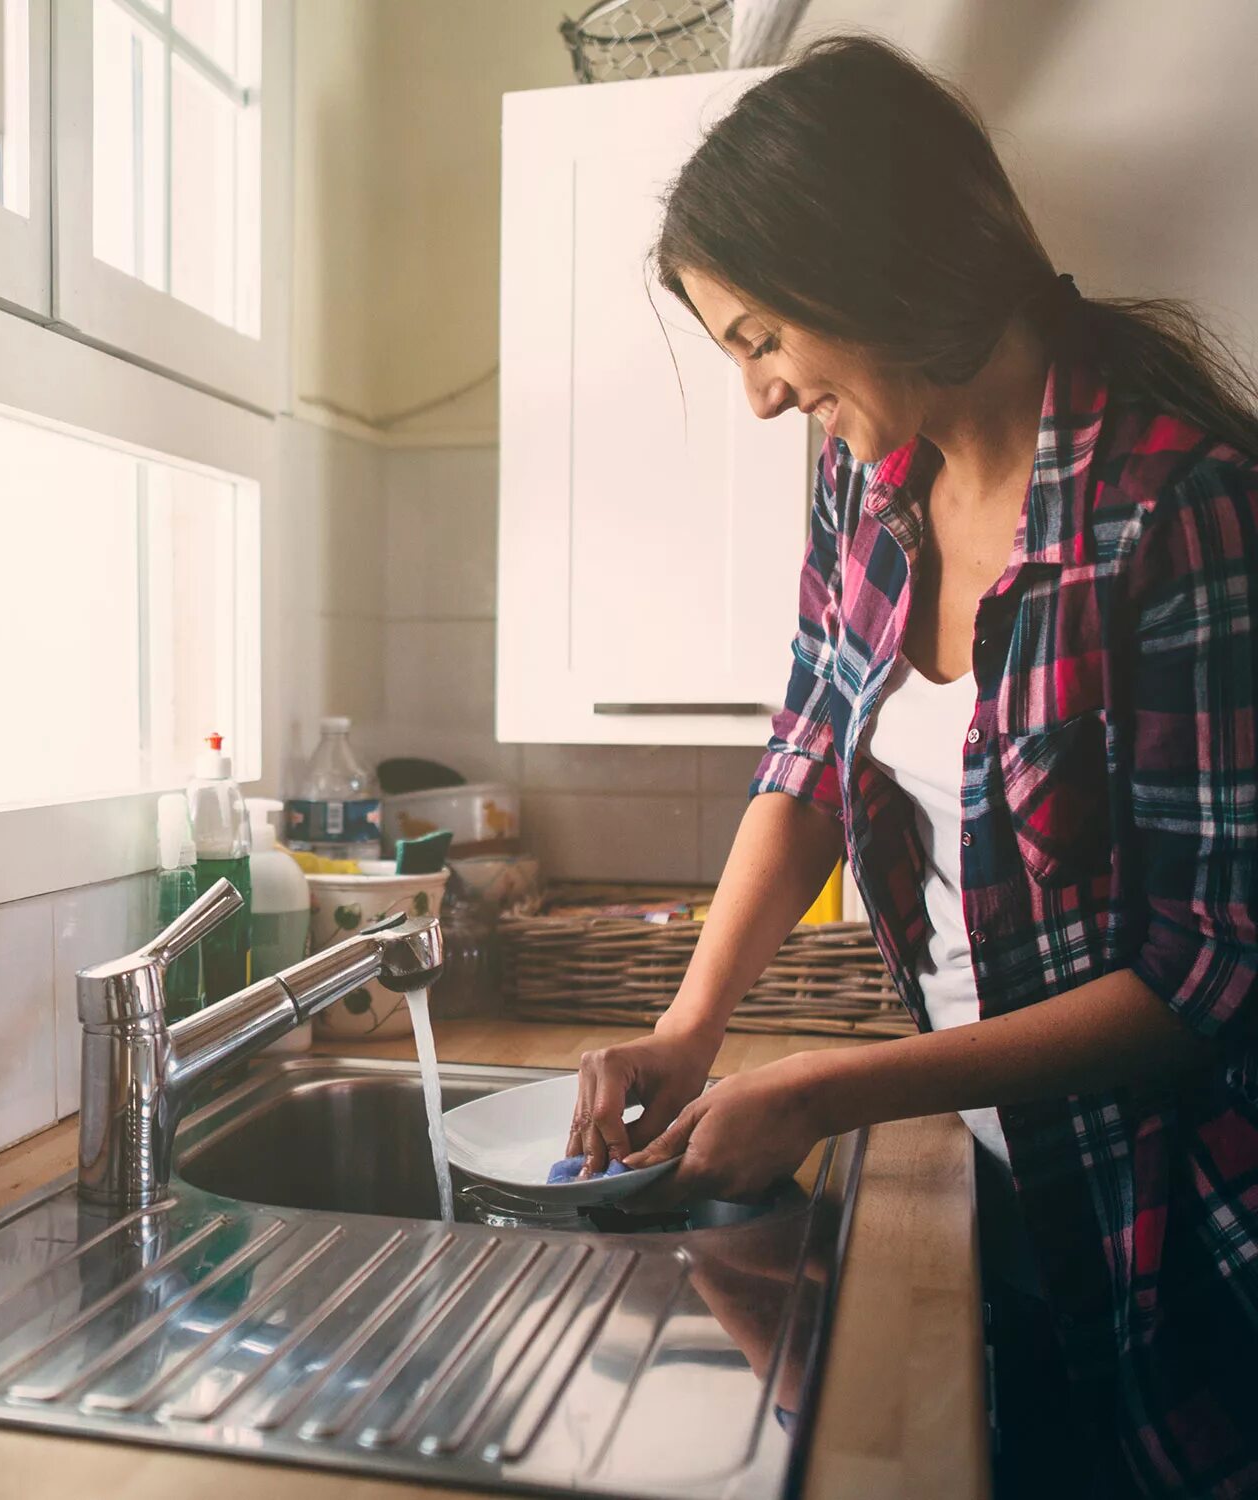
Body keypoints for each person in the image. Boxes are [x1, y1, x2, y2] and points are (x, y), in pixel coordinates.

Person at [563, 35, 1258, 1500]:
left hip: (1179, 1217)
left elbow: (1208, 977)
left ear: (867, 269)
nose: (756, 397)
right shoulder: (866, 482)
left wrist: (827, 1092)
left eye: (759, 340)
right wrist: (693, 1025)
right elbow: (810, 752)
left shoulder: (1180, 506)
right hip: (989, 1169)